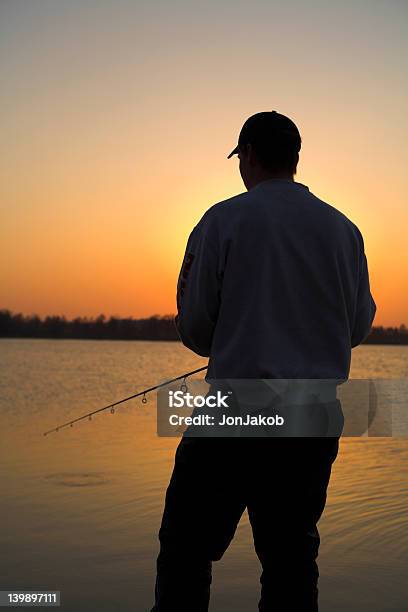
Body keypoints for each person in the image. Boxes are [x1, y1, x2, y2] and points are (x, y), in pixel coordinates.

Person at [151, 111, 376, 611]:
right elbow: (357, 328)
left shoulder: (222, 220)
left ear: (249, 154)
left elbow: (195, 330)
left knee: (186, 551)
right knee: (291, 559)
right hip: (314, 418)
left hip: (235, 414)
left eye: (240, 158)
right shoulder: (346, 231)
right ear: (295, 158)